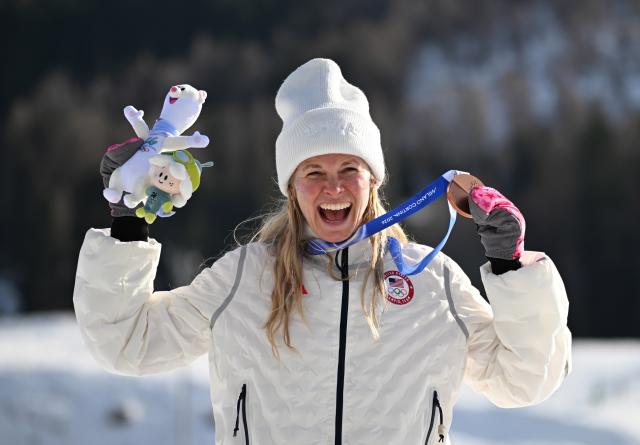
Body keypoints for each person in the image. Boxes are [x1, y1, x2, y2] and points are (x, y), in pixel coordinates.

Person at [74, 58, 572, 445]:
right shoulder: (245, 278)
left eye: (348, 170)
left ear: (372, 181)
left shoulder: (431, 281)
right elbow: (129, 342)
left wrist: (510, 265)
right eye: (314, 172)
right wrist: (127, 225)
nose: (333, 188)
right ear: (293, 189)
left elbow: (523, 379)